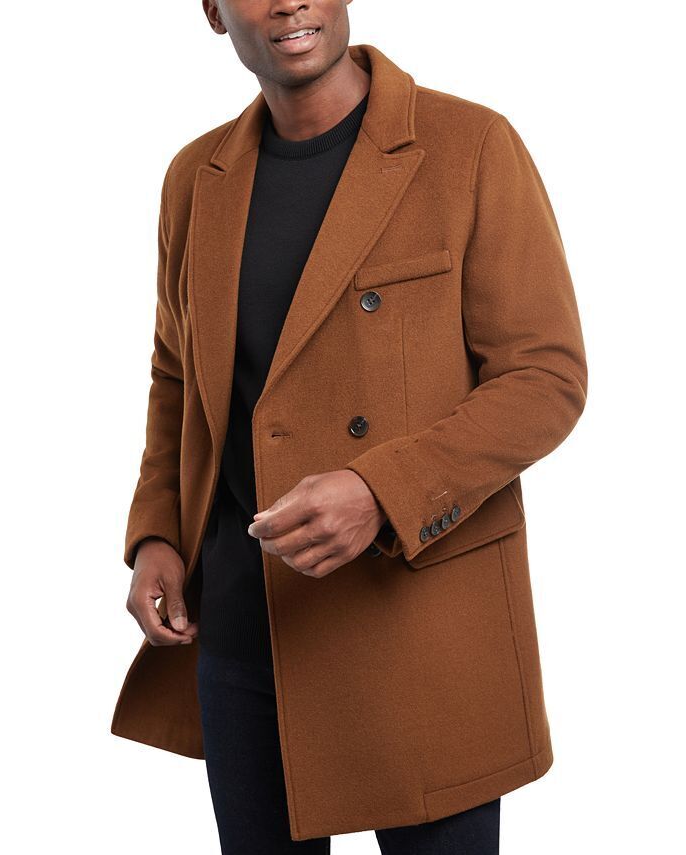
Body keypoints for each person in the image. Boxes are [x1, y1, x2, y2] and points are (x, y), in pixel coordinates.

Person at [115, 2, 588, 852]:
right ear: (214, 12)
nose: (289, 2)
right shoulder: (196, 177)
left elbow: (545, 378)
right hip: (250, 627)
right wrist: (158, 535)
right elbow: (176, 376)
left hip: (419, 626)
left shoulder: (470, 146)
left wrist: (381, 490)